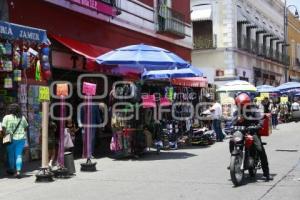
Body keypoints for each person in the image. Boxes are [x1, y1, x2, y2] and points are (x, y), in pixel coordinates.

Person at [230, 93, 273, 181]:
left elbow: (260, 120)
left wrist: (258, 125)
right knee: (231, 141)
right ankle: (235, 160)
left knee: (260, 149)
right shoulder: (237, 112)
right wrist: (236, 121)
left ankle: (266, 173)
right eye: (239, 105)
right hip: (241, 132)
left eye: (242, 105)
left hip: (252, 132)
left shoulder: (254, 110)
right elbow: (232, 121)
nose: (240, 107)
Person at [1, 104, 28, 178]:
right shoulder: (22, 117)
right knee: (18, 155)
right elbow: (26, 128)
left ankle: (12, 169)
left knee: (11, 155)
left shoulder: (6, 117)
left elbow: (3, 128)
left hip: (9, 138)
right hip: (21, 138)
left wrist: (4, 135)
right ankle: (18, 171)